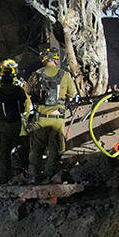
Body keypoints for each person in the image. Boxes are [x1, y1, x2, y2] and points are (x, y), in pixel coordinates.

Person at [27, 48, 79, 182]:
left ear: (44, 59)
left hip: (41, 118)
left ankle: (34, 175)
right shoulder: (65, 75)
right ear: (56, 60)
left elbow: (28, 92)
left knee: (37, 148)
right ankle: (51, 175)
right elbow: (72, 95)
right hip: (57, 119)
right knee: (55, 149)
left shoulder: (37, 74)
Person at [0, 59, 31, 183]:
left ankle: (3, 177)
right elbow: (26, 107)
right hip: (18, 125)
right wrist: (24, 119)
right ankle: (25, 173)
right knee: (23, 149)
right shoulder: (19, 89)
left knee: (3, 152)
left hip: (3, 126)